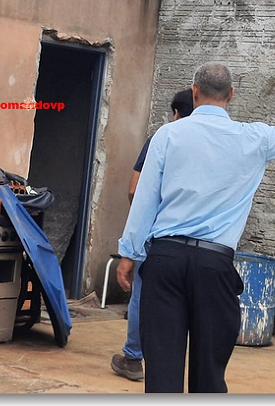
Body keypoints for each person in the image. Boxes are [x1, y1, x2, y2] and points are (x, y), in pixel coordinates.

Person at [116, 62, 275, 393]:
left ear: (194, 92)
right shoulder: (253, 138)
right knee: (209, 372)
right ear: (232, 94)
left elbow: (144, 199)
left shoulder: (167, 135)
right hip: (214, 265)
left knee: (162, 370)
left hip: (165, 260)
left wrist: (129, 253)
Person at [111, 88, 193, 382]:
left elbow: (135, 189)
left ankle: (133, 358)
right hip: (199, 244)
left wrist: (143, 224)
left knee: (142, 297)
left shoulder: (163, 138)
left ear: (175, 113)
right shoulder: (214, 143)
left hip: (158, 238)